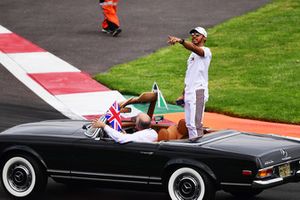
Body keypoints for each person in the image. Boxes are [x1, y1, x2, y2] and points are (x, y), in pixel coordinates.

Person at [167, 27, 212, 140]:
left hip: (198, 91)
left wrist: (181, 41)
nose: (194, 36)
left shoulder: (206, 51)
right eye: (193, 35)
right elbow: (190, 76)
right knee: (189, 125)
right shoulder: (192, 55)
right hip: (190, 91)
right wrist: (183, 93)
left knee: (195, 124)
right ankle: (194, 145)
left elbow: (196, 49)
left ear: (204, 38)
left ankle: (199, 149)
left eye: (197, 35)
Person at [92, 113, 157, 143]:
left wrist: (104, 126)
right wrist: (126, 135)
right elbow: (139, 137)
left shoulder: (140, 135)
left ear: (137, 126)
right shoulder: (153, 133)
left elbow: (120, 139)